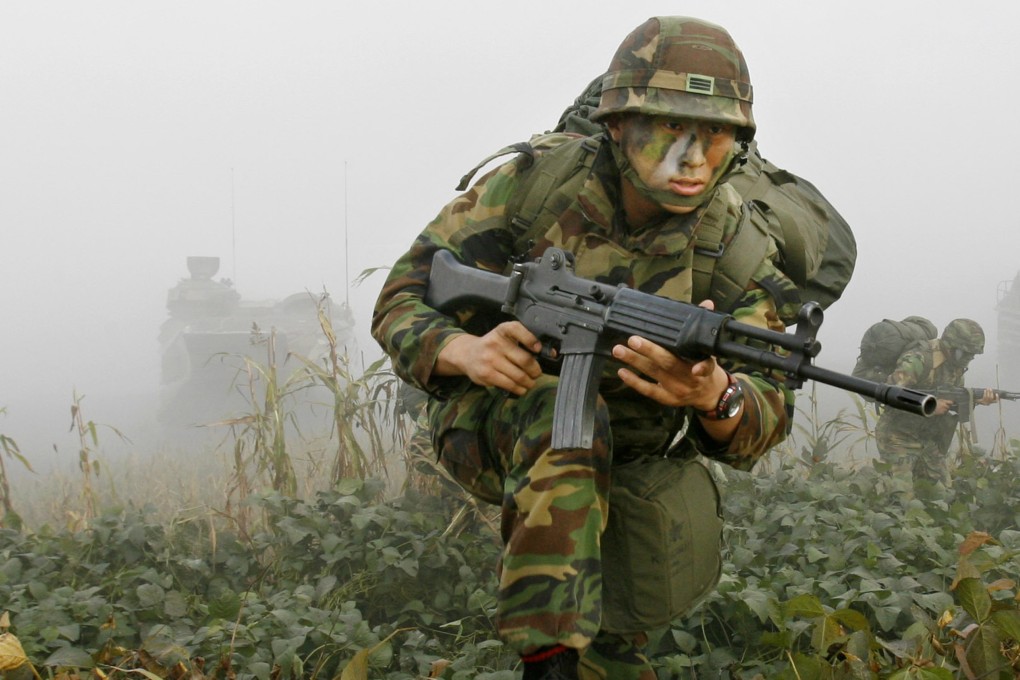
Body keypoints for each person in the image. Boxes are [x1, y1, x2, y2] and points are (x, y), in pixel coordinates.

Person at [373, 16, 806, 679]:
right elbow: (402, 295)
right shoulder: (532, 187)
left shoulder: (738, 250)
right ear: (615, 125)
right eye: (668, 131)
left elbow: (767, 410)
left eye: (715, 136)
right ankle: (546, 661)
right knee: (559, 421)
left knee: (618, 644)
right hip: (504, 423)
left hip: (637, 463)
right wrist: (462, 350)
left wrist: (714, 396)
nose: (692, 159)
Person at [875, 318, 998, 496]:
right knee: (900, 497)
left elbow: (949, 401)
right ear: (951, 346)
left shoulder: (955, 367)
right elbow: (888, 395)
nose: (968, 359)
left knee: (943, 495)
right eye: (965, 353)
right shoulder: (918, 359)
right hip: (898, 436)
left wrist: (976, 400)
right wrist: (929, 406)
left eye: (971, 355)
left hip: (927, 439)